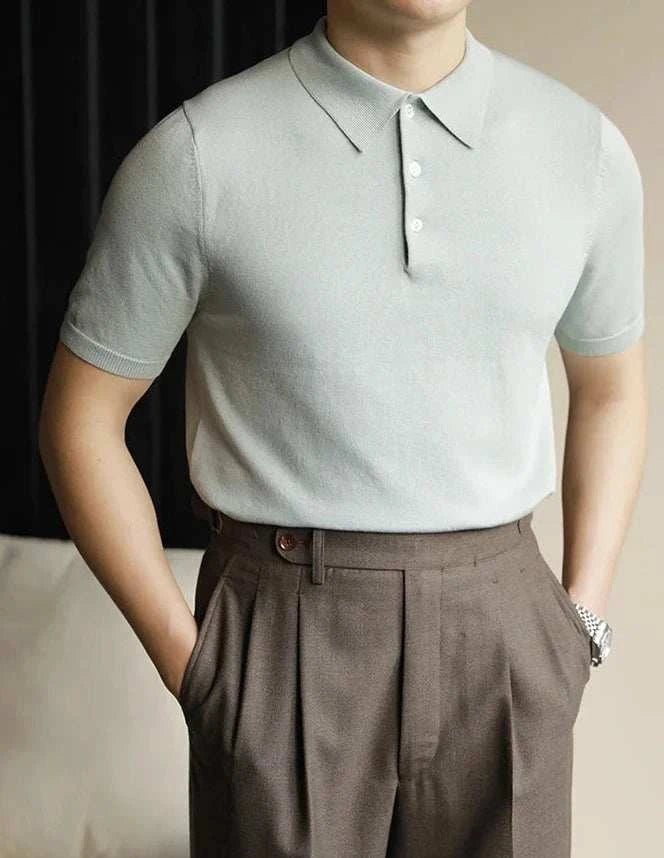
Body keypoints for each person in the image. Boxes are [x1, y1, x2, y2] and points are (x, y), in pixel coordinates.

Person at [39, 1, 647, 856]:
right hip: (284, 630)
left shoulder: (584, 150)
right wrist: (199, 672)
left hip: (508, 631)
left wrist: (580, 622)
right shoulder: (197, 156)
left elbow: (612, 390)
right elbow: (79, 420)